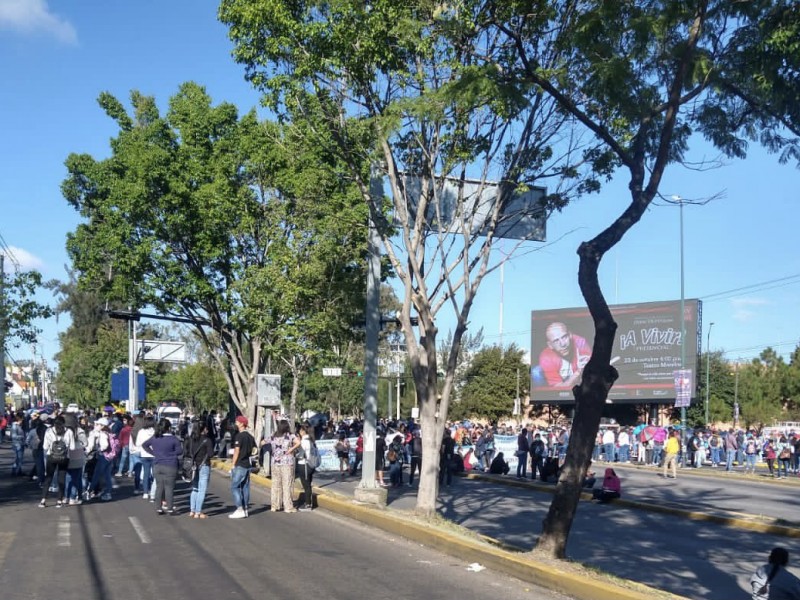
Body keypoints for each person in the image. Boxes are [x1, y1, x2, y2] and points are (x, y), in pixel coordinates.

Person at [141, 418, 182, 515]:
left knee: (159, 487)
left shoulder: (155, 438)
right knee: (169, 488)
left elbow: (144, 445)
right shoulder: (174, 439)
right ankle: (170, 509)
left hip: (157, 464)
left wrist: (154, 453)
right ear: (169, 428)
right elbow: (180, 451)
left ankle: (159, 508)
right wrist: (171, 453)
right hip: (170, 465)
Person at [537, 322, 592, 387]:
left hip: (582, 387)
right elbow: (559, 389)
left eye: (564, 337)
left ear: (570, 335)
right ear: (550, 345)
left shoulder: (580, 342)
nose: (562, 344)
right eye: (556, 341)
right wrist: (578, 372)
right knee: (536, 372)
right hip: (565, 384)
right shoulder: (545, 357)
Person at [40, 415, 76, 508]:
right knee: (61, 479)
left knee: (48, 478)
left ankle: (43, 500)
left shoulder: (49, 431)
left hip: (51, 457)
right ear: (64, 423)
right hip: (64, 458)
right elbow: (72, 447)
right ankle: (59, 500)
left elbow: (45, 447)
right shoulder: (69, 431)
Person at [228, 415, 256, 519]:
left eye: (237, 422)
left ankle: (239, 508)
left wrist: (233, 464)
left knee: (235, 486)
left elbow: (236, 451)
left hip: (240, 465)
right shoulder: (250, 437)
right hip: (247, 465)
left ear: (241, 424)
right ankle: (245, 509)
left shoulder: (239, 436)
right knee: (245, 487)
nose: (235, 423)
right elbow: (254, 450)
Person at [268, 419, 296, 514]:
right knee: (287, 484)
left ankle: (275, 505)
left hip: (275, 462)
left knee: (275, 484)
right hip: (287, 463)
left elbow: (262, 442)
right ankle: (288, 507)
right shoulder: (290, 436)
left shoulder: (273, 436)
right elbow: (298, 442)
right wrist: (290, 449)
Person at [290, 423, 317, 511]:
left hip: (304, 464)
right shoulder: (312, 440)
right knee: (308, 484)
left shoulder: (304, 441)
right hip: (311, 465)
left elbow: (301, 454)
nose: (299, 432)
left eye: (300, 430)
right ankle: (308, 502)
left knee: (306, 485)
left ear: (303, 431)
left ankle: (308, 504)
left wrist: (295, 453)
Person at [135, 415, 157, 499]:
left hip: (144, 454)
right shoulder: (156, 431)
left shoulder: (141, 431)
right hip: (155, 454)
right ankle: (154, 491)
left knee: (146, 474)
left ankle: (145, 492)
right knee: (155, 474)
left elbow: (137, 443)